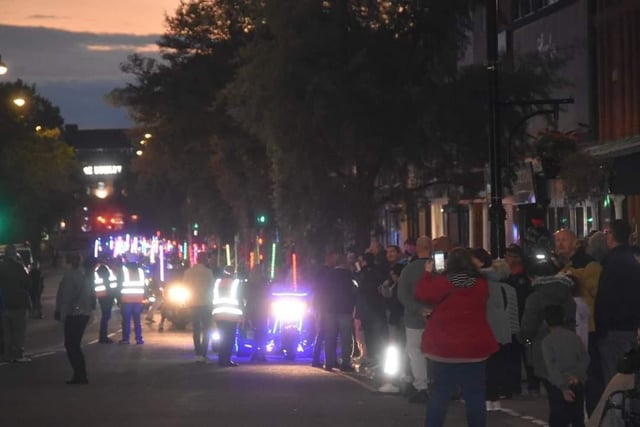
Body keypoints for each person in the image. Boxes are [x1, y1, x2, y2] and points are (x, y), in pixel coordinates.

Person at [415, 247, 498, 427]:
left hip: (443, 348)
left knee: (439, 395)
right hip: (475, 348)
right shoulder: (481, 285)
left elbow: (422, 293)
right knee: (475, 395)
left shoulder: (443, 283)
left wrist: (427, 274)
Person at [555, 228, 603, 416]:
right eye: (557, 240)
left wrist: (573, 279)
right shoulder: (563, 267)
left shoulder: (588, 265)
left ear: (576, 242)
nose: (560, 244)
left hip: (587, 327)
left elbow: (595, 292)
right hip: (573, 328)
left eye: (564, 240)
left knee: (589, 374)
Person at [520, 259, 577, 403]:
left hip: (543, 346)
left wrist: (523, 339)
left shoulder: (535, 297)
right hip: (567, 344)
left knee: (554, 393)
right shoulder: (567, 293)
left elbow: (529, 326)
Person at [594, 219, 640, 387]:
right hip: (633, 326)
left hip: (615, 329)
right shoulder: (635, 258)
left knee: (616, 379)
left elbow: (606, 297)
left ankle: (618, 412)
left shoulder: (612, 261)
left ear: (612, 236)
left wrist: (602, 328)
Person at [472, 248, 515, 411]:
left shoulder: (482, 281)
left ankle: (488, 397)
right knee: (496, 365)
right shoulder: (501, 282)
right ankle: (494, 397)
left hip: (487, 328)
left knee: (485, 366)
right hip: (501, 331)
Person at [397, 235, 432, 404]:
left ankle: (421, 386)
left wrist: (418, 309)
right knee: (433, 352)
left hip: (413, 318)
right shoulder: (437, 268)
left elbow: (402, 294)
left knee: (415, 351)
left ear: (417, 249)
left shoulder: (408, 270)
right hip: (436, 317)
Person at [541, 305, 589, 427]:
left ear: (546, 322)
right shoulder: (574, 337)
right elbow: (585, 357)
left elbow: (551, 366)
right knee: (577, 418)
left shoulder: (547, 341)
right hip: (577, 382)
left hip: (558, 386)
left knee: (558, 419)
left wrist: (563, 387)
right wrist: (578, 375)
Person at [55, 252, 94, 384]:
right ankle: (80, 374)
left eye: (63, 260)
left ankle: (80, 375)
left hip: (75, 314)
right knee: (74, 345)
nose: (60, 263)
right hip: (82, 313)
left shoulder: (70, 277)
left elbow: (66, 298)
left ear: (69, 262)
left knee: (72, 345)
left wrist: (62, 315)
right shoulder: (81, 275)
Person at [504, 243, 537, 396]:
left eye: (509, 256)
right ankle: (514, 385)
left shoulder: (524, 278)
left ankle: (532, 385)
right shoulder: (508, 277)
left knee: (527, 354)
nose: (506, 259)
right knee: (514, 355)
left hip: (523, 318)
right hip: (513, 320)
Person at [324, 253, 357, 372]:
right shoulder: (349, 275)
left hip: (330, 309)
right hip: (345, 309)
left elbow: (324, 291)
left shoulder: (329, 275)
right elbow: (355, 291)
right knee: (345, 337)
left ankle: (329, 362)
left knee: (330, 336)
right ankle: (345, 363)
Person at [0, 244, 33, 363]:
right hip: (19, 304)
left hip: (4, 304)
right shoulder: (18, 267)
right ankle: (18, 354)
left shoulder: (1, 267)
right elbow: (27, 283)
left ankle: (7, 354)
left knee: (7, 331)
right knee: (19, 331)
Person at [183, 252, 215, 362]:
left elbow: (185, 287)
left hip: (193, 303)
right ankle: (204, 352)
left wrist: (187, 302)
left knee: (196, 329)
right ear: (205, 259)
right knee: (207, 329)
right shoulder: (208, 273)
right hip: (206, 303)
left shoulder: (188, 272)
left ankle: (198, 353)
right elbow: (212, 287)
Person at [212, 266, 244, 367]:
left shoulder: (217, 283)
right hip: (232, 315)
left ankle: (221, 359)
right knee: (230, 338)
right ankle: (227, 359)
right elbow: (240, 300)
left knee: (222, 338)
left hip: (219, 314)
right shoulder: (236, 284)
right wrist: (242, 315)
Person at [119, 261, 146, 345]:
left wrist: (118, 297)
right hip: (138, 299)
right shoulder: (141, 271)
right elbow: (144, 284)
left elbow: (119, 285)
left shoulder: (124, 271)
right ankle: (139, 339)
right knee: (137, 320)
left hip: (127, 299)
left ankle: (126, 339)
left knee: (126, 320)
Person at [94, 258, 118, 343]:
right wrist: (112, 294)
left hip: (104, 296)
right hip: (106, 296)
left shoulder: (102, 269)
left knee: (106, 316)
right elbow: (107, 283)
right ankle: (103, 336)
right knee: (106, 316)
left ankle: (103, 336)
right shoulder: (103, 269)